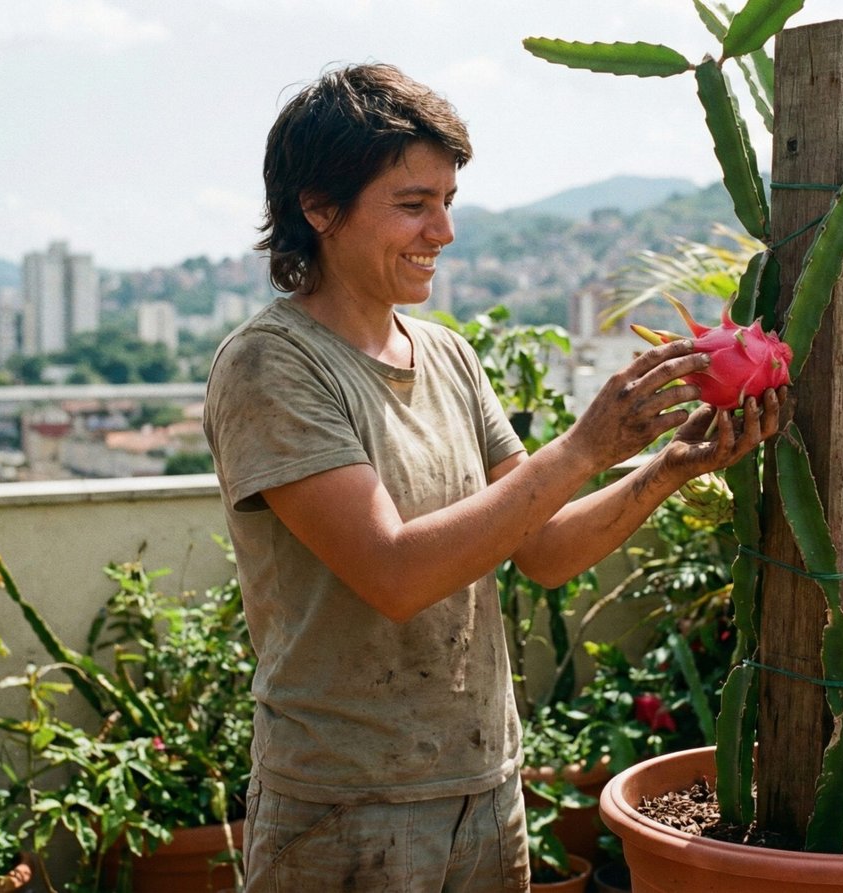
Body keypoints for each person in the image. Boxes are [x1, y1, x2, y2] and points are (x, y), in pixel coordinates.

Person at [204, 62, 786, 892]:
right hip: (345, 807)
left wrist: (666, 468)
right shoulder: (271, 366)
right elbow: (395, 573)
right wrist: (583, 448)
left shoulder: (446, 354)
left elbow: (542, 550)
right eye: (413, 204)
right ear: (319, 207)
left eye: (447, 201)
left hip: (483, 791)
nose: (441, 230)